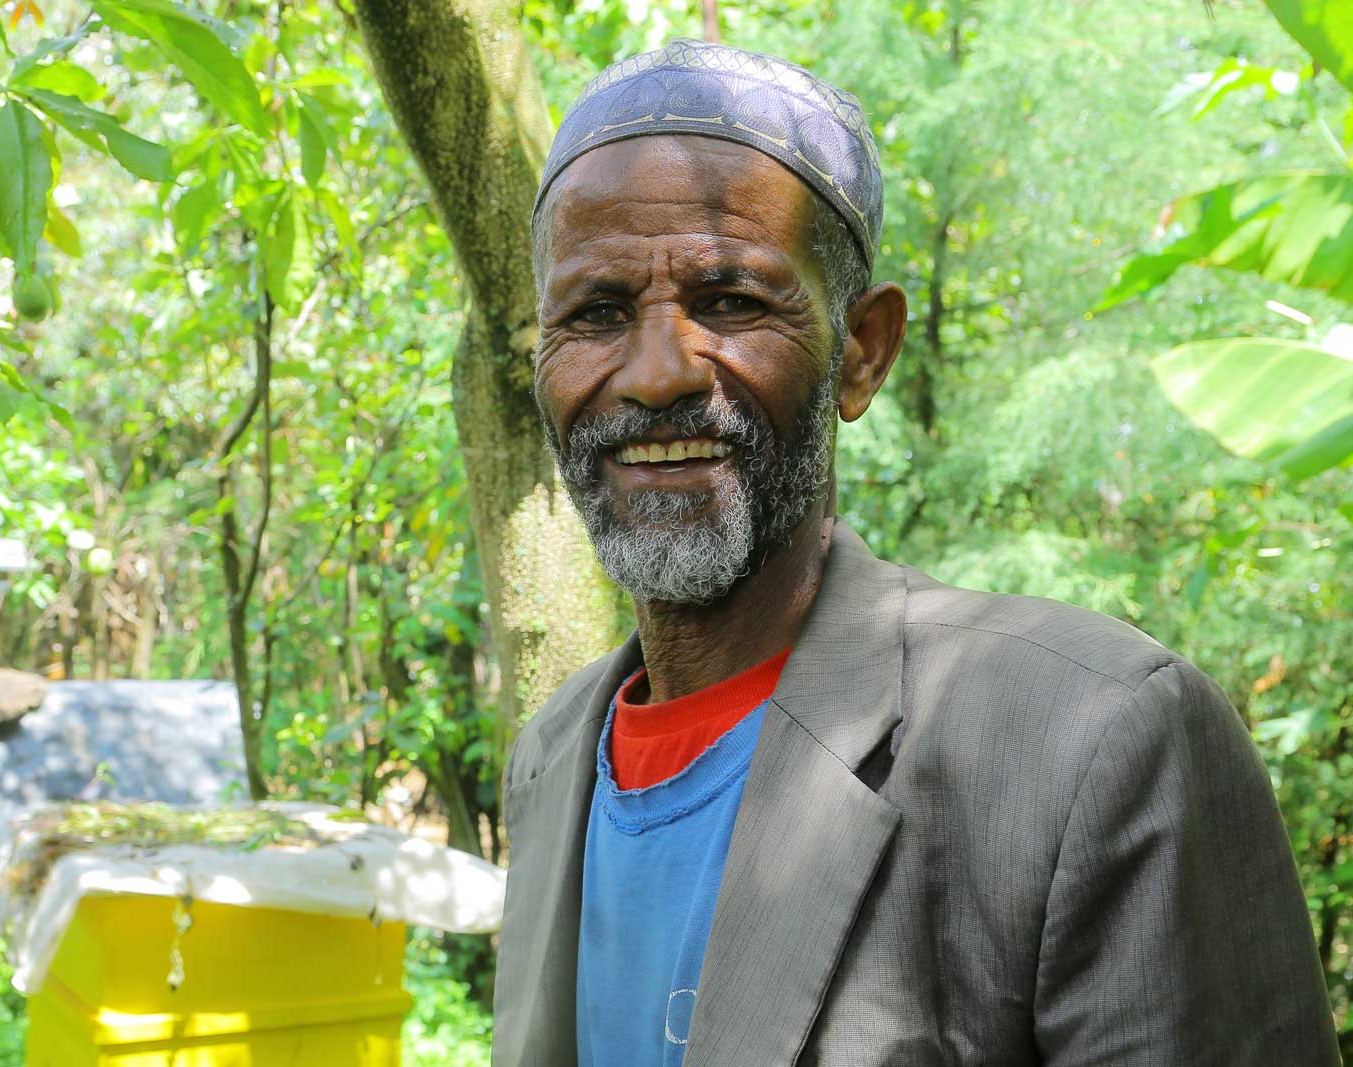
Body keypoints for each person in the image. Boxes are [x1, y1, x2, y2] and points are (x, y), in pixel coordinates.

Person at [494, 39, 1337, 1066]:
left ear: (862, 351)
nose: (660, 370)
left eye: (731, 302)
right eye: (595, 313)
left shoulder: (1096, 743)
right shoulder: (549, 760)